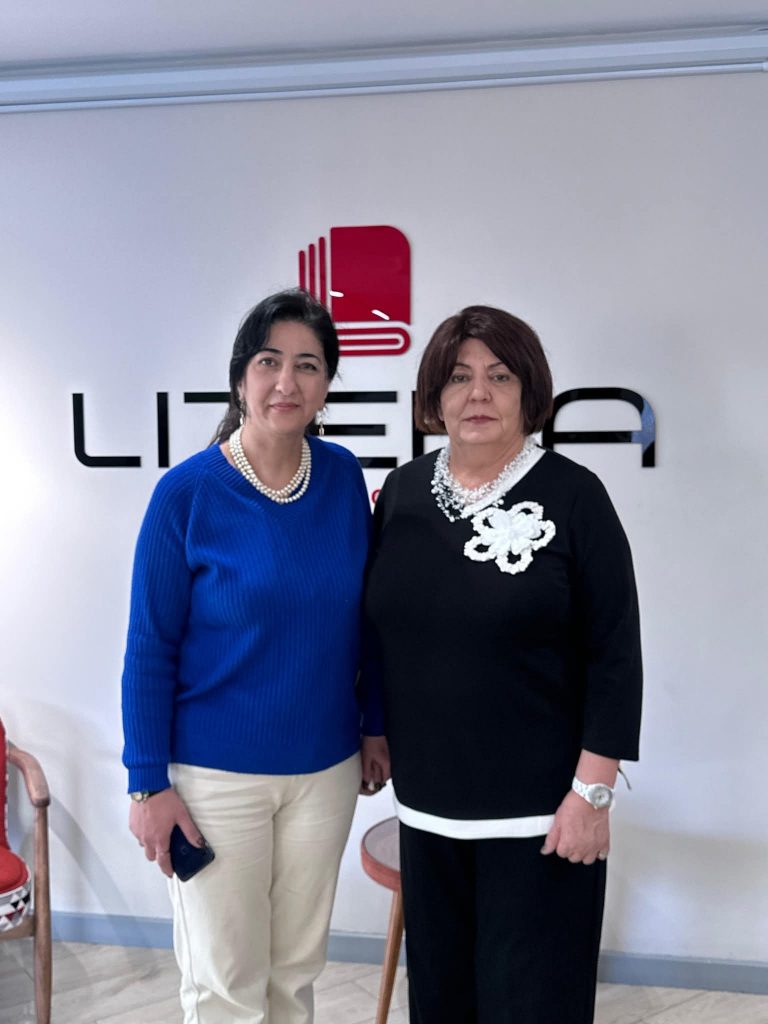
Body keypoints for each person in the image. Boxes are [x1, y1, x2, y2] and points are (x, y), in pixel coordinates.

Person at [363, 305, 642, 1024]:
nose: (478, 394)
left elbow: (615, 652)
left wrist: (593, 795)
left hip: (543, 819)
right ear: (435, 394)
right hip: (427, 810)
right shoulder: (402, 493)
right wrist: (373, 729)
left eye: (500, 376)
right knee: (442, 1005)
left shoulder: (575, 495)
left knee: (534, 1007)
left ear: (529, 391)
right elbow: (380, 633)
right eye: (459, 377)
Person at [121, 289, 385, 1024]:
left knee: (294, 975)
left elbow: (368, 621)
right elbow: (149, 647)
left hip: (325, 773)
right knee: (226, 985)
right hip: (214, 781)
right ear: (241, 376)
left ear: (326, 384)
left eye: (308, 365)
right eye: (269, 362)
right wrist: (147, 786)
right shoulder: (186, 494)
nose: (286, 382)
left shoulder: (342, 478)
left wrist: (375, 723)